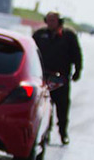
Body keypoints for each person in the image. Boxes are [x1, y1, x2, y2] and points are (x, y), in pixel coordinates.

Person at [33, 11, 83, 145]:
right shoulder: (39, 35)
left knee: (62, 107)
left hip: (61, 79)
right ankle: (45, 133)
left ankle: (63, 132)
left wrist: (78, 71)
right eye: (48, 20)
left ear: (59, 22)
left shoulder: (69, 36)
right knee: (43, 107)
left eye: (53, 21)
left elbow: (77, 55)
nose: (50, 23)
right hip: (43, 78)